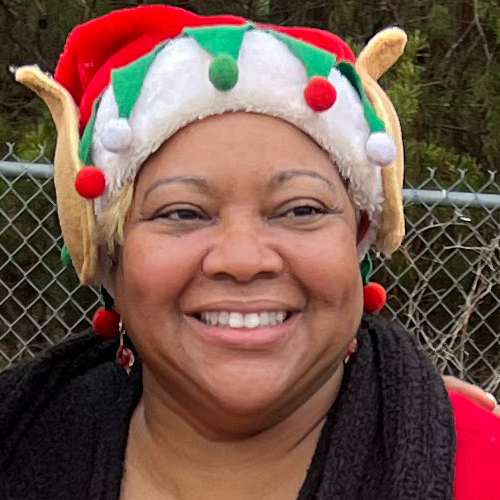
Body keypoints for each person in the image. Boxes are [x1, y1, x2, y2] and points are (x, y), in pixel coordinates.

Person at [1, 5, 499, 499]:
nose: (242, 260)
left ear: (358, 238)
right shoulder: (20, 438)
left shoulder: (481, 470)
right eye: (183, 213)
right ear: (110, 256)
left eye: (301, 209)